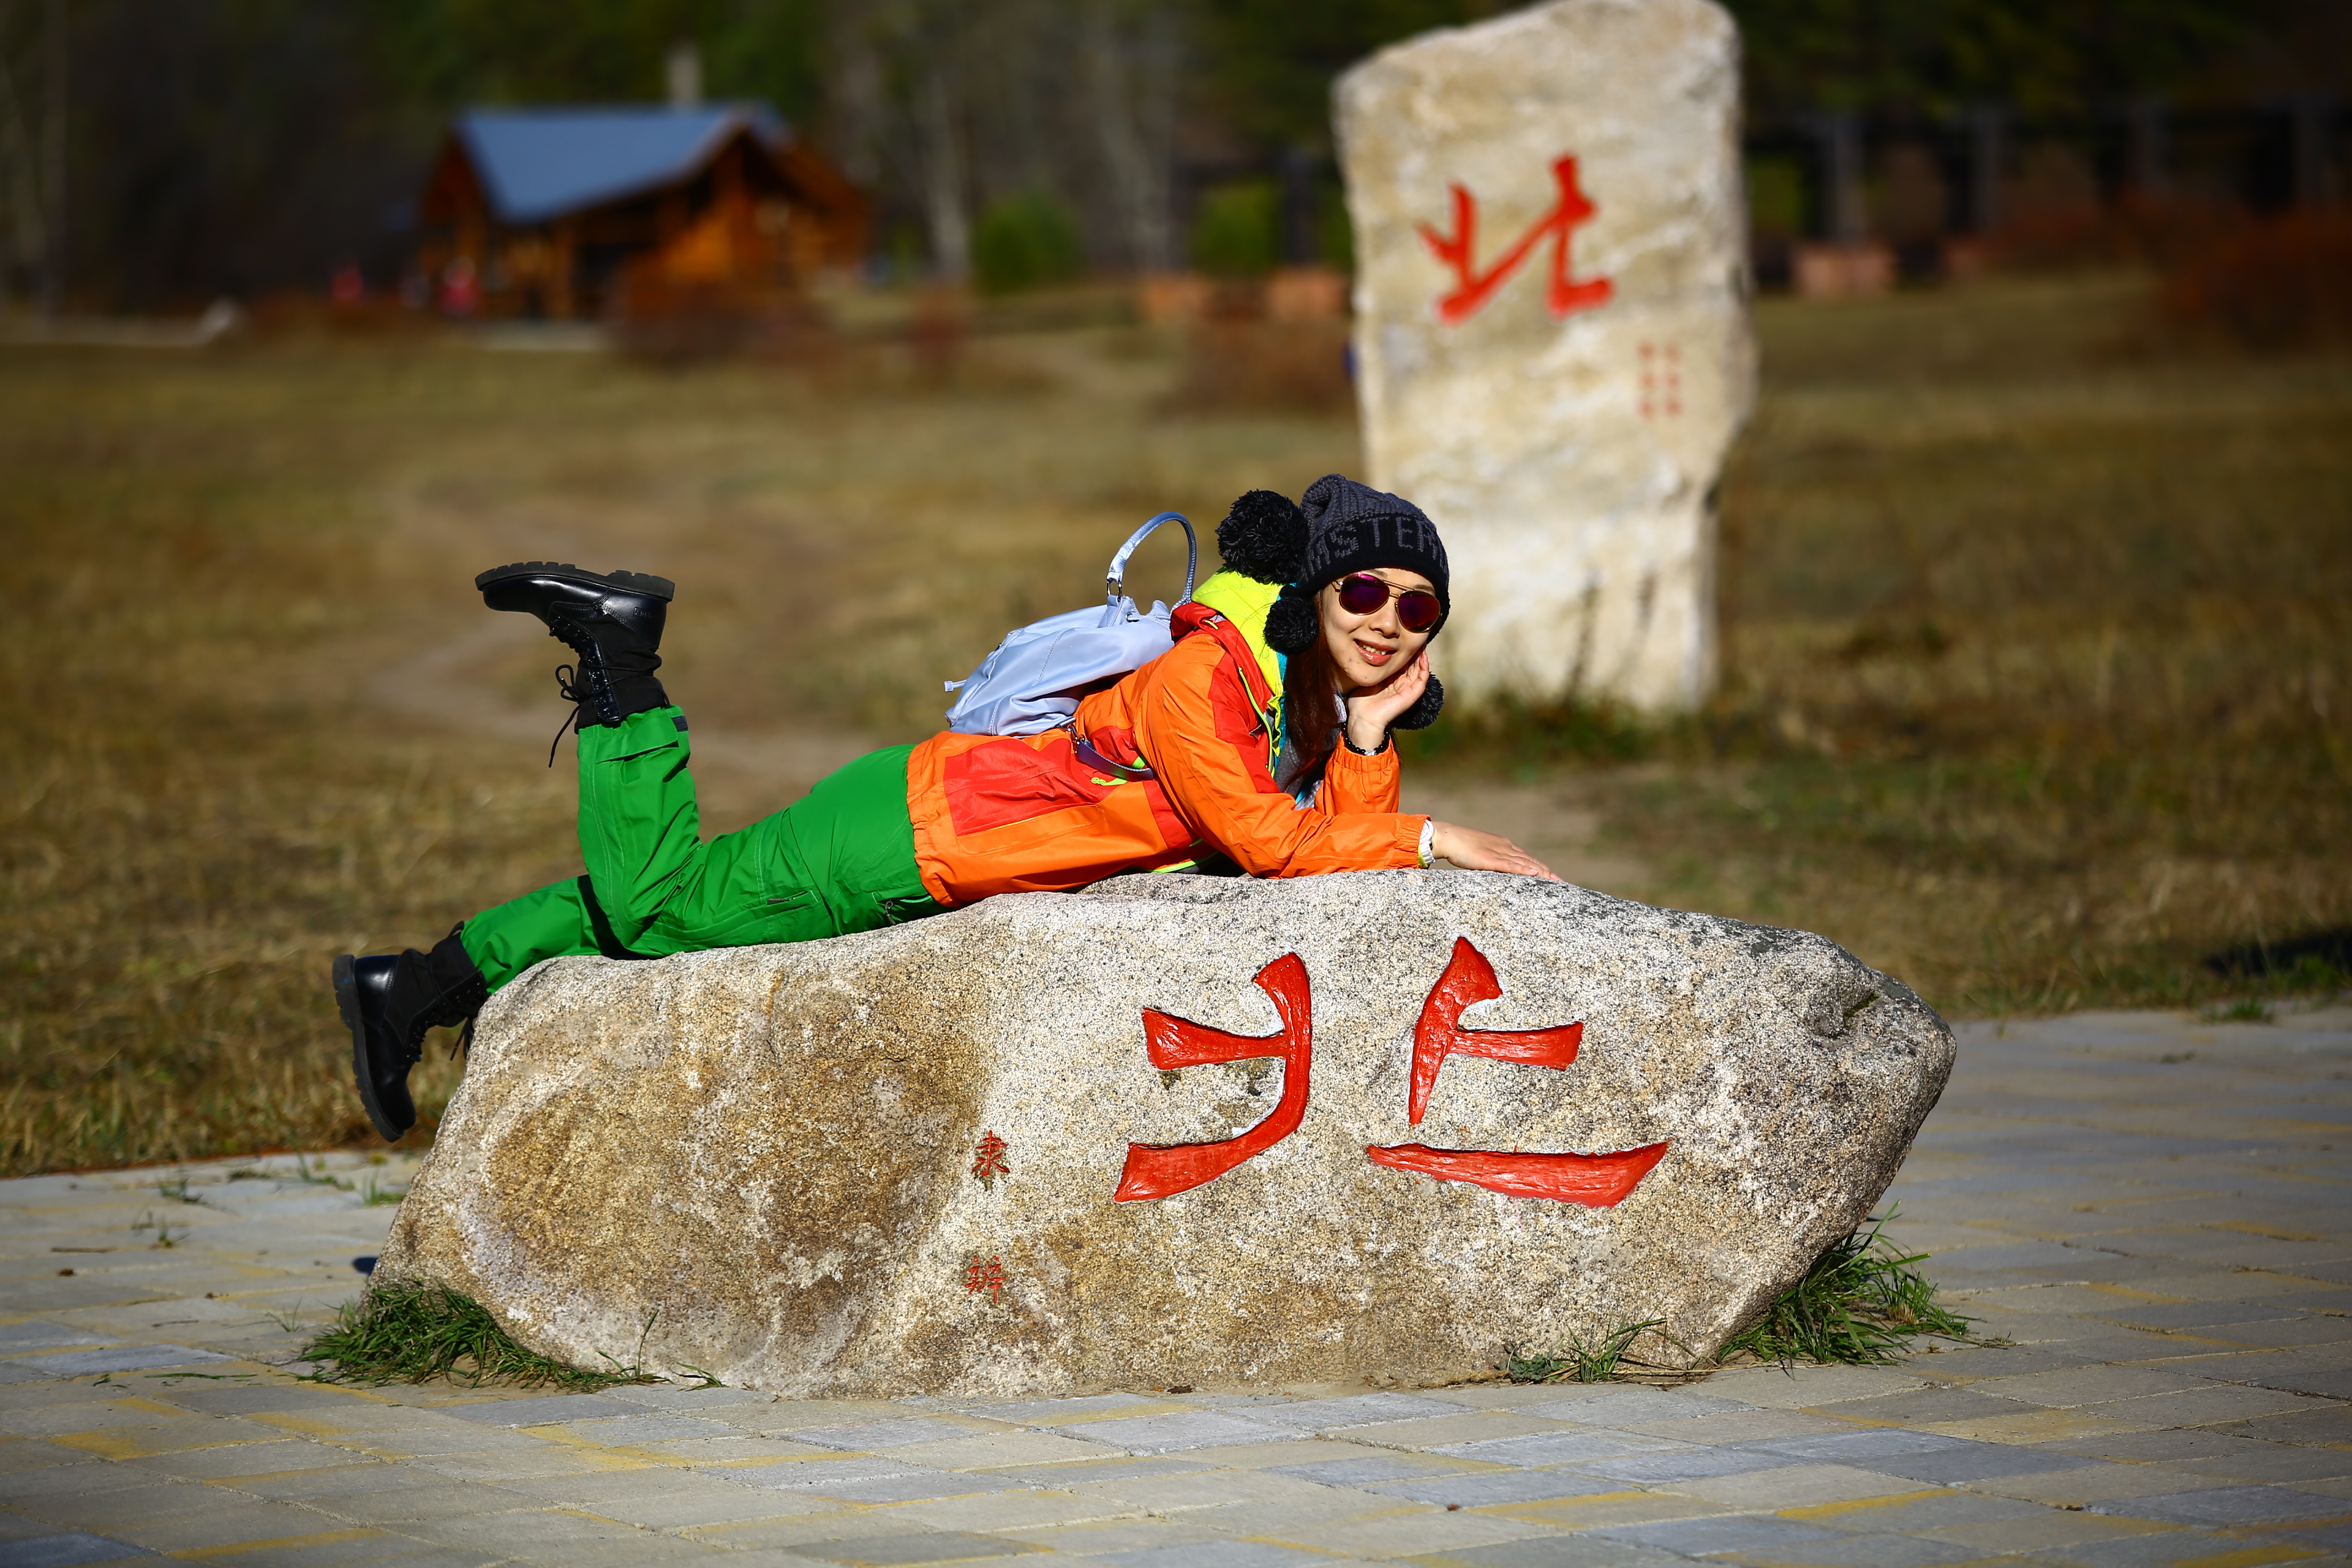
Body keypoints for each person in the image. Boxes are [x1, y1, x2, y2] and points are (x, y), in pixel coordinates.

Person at [335, 475, 1556, 1140]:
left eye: (1418, 608)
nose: (1389, 622)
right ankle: (620, 666)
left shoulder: (1291, 696)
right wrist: (1435, 837)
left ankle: (413, 988)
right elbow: (1272, 844)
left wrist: (1368, 736)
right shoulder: (1207, 679)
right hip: (910, 840)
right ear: (1314, 589)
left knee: (679, 904)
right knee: (659, 907)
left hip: (919, 823)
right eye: (1365, 592)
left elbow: (1332, 846)